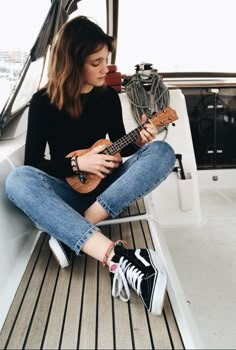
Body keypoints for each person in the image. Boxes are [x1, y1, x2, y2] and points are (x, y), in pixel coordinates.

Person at [5, 16, 176, 315]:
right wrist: (77, 163)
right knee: (17, 180)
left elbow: (121, 145)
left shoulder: (108, 98)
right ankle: (111, 251)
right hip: (67, 190)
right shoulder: (43, 103)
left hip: (106, 190)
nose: (105, 69)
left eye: (106, 60)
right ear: (72, 62)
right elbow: (34, 162)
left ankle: (79, 227)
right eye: (96, 62)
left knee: (161, 151)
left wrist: (140, 140)